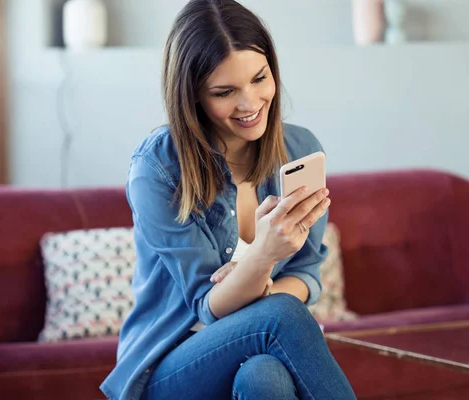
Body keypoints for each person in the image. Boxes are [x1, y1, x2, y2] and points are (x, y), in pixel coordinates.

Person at [100, 0, 357, 399]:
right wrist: (263, 258)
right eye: (224, 92)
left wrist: (255, 292)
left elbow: (306, 272)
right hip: (171, 363)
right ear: (192, 96)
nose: (250, 103)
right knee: (281, 317)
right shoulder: (157, 169)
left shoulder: (300, 148)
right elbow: (208, 306)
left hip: (257, 346)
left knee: (265, 377)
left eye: (259, 79)